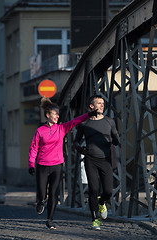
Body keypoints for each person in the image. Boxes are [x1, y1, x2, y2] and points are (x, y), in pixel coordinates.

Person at [28, 97, 98, 230]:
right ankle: (40, 201)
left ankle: (50, 220)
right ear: (48, 115)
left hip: (57, 165)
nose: (57, 116)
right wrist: (31, 164)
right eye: (55, 114)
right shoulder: (40, 131)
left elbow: (76, 120)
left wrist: (89, 114)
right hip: (42, 165)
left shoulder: (62, 128)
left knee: (54, 194)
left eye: (58, 114)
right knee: (42, 193)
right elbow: (34, 148)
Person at [73, 95, 120, 231]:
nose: (102, 105)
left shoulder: (109, 121)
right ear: (91, 106)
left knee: (108, 191)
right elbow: (76, 141)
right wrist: (80, 149)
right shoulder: (84, 123)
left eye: (103, 103)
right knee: (93, 189)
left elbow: (116, 137)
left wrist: (116, 140)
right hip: (90, 159)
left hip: (105, 160)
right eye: (99, 103)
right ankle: (95, 220)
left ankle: (102, 202)